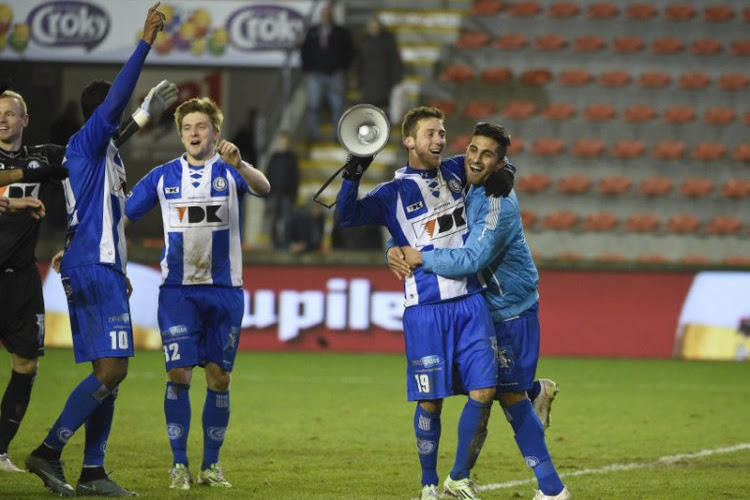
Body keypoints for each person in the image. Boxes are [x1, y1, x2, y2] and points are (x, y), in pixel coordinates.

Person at [335, 106, 517, 500]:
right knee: (430, 402)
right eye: (431, 133)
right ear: (410, 142)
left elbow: (495, 164)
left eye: (442, 132)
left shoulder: (455, 170)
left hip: (470, 303)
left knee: (483, 392)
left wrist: (506, 171)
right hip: (426, 310)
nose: (439, 139)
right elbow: (346, 217)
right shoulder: (392, 193)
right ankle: (428, 484)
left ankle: (459, 477)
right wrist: (354, 170)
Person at [24, 4, 168, 497]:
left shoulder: (104, 154)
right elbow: (116, 108)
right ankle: (47, 452)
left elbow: (104, 204)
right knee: (114, 369)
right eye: (116, 111)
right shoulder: (87, 142)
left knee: (109, 374)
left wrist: (147, 114)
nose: (120, 117)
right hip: (93, 266)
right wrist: (145, 41)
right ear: (102, 114)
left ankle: (93, 471)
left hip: (100, 265)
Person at [390, 122, 571, 500]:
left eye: (487, 154)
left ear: (500, 161)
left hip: (509, 309)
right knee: (480, 391)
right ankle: (531, 394)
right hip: (474, 308)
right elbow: (426, 224)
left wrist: (421, 259)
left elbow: (473, 257)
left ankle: (551, 489)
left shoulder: (497, 202)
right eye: (472, 149)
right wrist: (393, 247)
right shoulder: (463, 184)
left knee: (506, 397)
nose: (475, 158)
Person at [124, 96, 270, 490]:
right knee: (179, 372)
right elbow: (123, 213)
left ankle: (210, 466)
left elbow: (264, 187)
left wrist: (242, 164)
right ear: (180, 134)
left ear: (215, 133)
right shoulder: (161, 175)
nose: (193, 133)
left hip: (224, 290)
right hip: (178, 292)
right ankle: (178, 464)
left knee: (219, 378)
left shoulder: (230, 169)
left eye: (201, 127)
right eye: (187, 127)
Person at [0, 88, 68, 474]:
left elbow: (89, 152)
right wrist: (20, 190)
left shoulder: (42, 156)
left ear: (24, 120)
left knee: (26, 366)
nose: (3, 119)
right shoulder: (29, 167)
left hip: (24, 279)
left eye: (11, 113)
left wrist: (139, 118)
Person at [300, 3, 355, 141]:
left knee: (337, 106)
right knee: (313, 105)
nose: (326, 18)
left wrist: (342, 67)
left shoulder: (341, 32)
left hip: (335, 74)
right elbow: (305, 51)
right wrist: (308, 68)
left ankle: (337, 135)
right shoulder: (312, 32)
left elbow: (349, 52)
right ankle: (313, 134)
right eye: (323, 16)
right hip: (316, 74)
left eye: (328, 16)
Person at [357, 15, 403, 111]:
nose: (374, 29)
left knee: (383, 108)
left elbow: (395, 61)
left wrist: (397, 78)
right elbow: (360, 63)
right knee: (369, 108)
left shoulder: (388, 41)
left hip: (384, 80)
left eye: (376, 26)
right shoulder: (364, 41)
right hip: (368, 81)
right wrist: (359, 80)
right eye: (372, 26)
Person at [264, 131, 299, 249]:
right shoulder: (274, 157)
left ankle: (286, 243)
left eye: (286, 141)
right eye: (282, 141)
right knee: (273, 220)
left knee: (287, 220)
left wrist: (293, 195)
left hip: (287, 195)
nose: (284, 143)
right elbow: (267, 175)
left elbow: (295, 178)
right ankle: (273, 243)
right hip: (274, 194)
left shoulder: (292, 158)